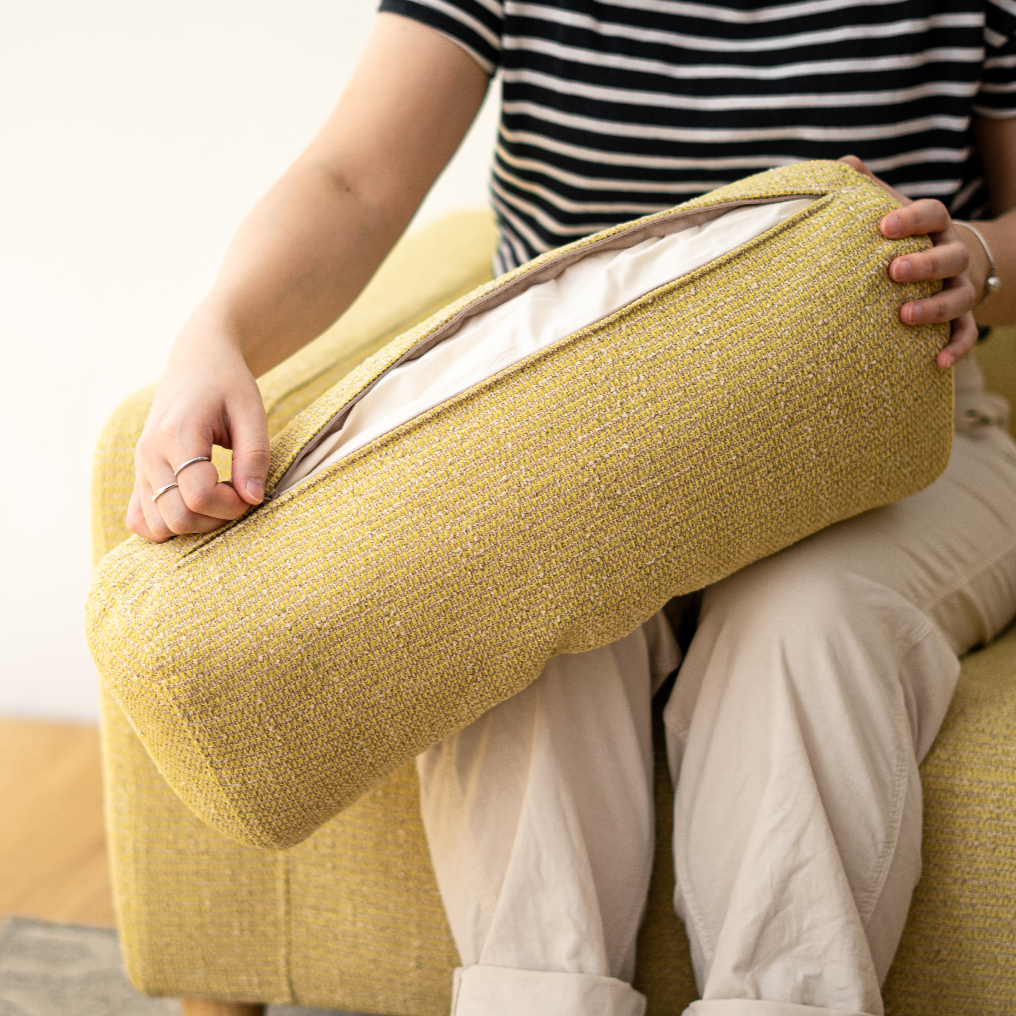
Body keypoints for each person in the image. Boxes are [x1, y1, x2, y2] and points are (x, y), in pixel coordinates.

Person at [128, 4, 1016, 1015]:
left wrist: (976, 258)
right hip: (570, 450)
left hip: (896, 438)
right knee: (521, 618)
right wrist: (214, 335)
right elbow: (353, 181)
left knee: (804, 620)